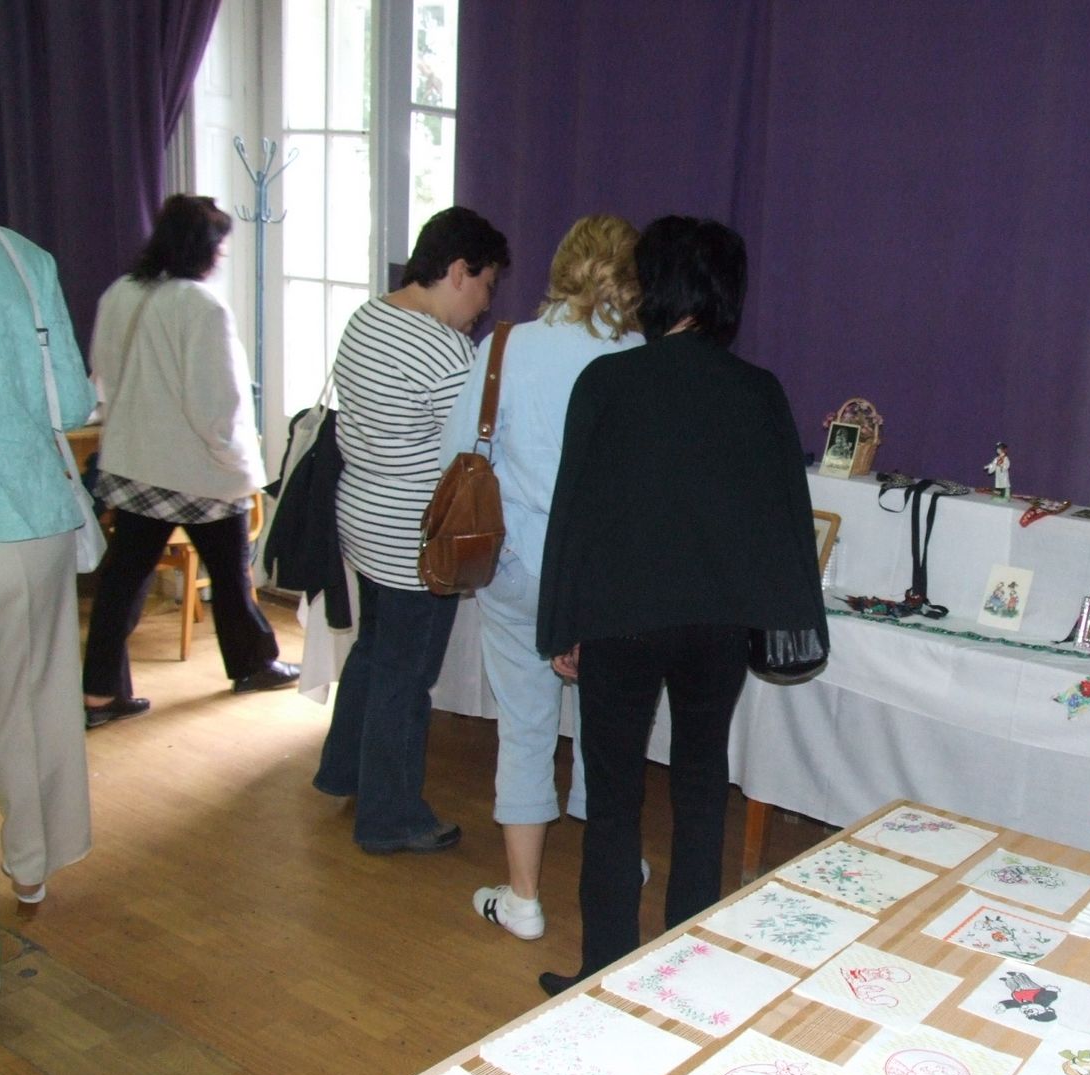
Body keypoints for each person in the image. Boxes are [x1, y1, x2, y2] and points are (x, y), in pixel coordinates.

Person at [535, 215, 827, 994]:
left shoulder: (608, 382)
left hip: (619, 620)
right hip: (717, 626)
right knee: (701, 787)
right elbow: (782, 519)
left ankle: (604, 972)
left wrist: (562, 624)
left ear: (653, 287)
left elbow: (575, 514)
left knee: (613, 795)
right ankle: (687, 970)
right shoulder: (758, 391)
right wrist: (780, 620)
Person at [437, 215, 644, 937]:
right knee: (606, 727)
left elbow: (459, 456)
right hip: (607, 579)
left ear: (562, 267)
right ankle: (616, 863)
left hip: (519, 569)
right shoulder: (642, 356)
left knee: (525, 728)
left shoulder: (505, 347)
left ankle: (523, 900)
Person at [313, 206, 509, 855]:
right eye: (485, 286)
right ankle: (390, 816)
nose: (484, 305)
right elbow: (475, 452)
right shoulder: (443, 348)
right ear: (458, 271)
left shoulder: (367, 317)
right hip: (416, 540)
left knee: (374, 652)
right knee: (406, 677)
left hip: (364, 517)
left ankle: (344, 769)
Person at [82, 196, 298, 726]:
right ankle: (252, 664)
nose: (223, 254)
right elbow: (217, 403)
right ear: (204, 248)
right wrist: (237, 460)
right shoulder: (201, 307)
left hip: (133, 464)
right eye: (219, 244)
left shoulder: (121, 292)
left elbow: (103, 371)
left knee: (122, 580)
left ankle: (99, 693)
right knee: (230, 572)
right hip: (197, 471)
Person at [0, 226, 96, 906]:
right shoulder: (22, 258)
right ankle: (31, 863)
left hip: (28, 518)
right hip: (30, 517)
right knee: (36, 699)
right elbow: (73, 400)